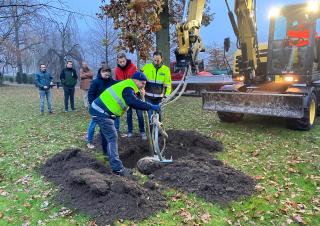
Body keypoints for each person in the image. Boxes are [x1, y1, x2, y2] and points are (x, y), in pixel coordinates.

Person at [89, 71, 160, 176]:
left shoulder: (128, 86)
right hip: (102, 112)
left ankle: (106, 155)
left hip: (100, 110)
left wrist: (140, 95)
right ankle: (118, 169)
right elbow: (133, 102)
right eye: (143, 84)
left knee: (106, 134)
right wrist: (151, 106)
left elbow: (132, 99)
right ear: (136, 81)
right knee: (112, 137)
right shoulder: (128, 88)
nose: (143, 86)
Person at [114, 52, 146, 140]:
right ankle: (130, 131)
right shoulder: (117, 70)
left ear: (126, 59)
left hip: (136, 94)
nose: (122, 63)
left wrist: (140, 90)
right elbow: (118, 83)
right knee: (129, 113)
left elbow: (137, 81)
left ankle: (142, 131)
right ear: (117, 61)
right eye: (120, 62)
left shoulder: (133, 67)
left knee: (139, 113)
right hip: (126, 95)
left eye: (123, 61)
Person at [87, 67, 117, 149]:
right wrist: (92, 106)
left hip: (107, 109)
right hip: (96, 108)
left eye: (108, 75)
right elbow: (90, 94)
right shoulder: (95, 82)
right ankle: (89, 141)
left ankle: (106, 141)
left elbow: (118, 83)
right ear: (101, 72)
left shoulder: (111, 81)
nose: (107, 76)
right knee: (92, 125)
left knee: (106, 126)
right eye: (105, 74)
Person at [142, 51, 172, 121]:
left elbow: (168, 85)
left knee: (159, 117)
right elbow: (142, 81)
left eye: (158, 60)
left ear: (161, 59)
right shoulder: (147, 67)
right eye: (155, 60)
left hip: (159, 99)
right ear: (153, 59)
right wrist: (141, 91)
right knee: (150, 117)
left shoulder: (166, 70)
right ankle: (150, 131)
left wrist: (166, 96)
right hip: (148, 98)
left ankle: (158, 131)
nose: (156, 62)